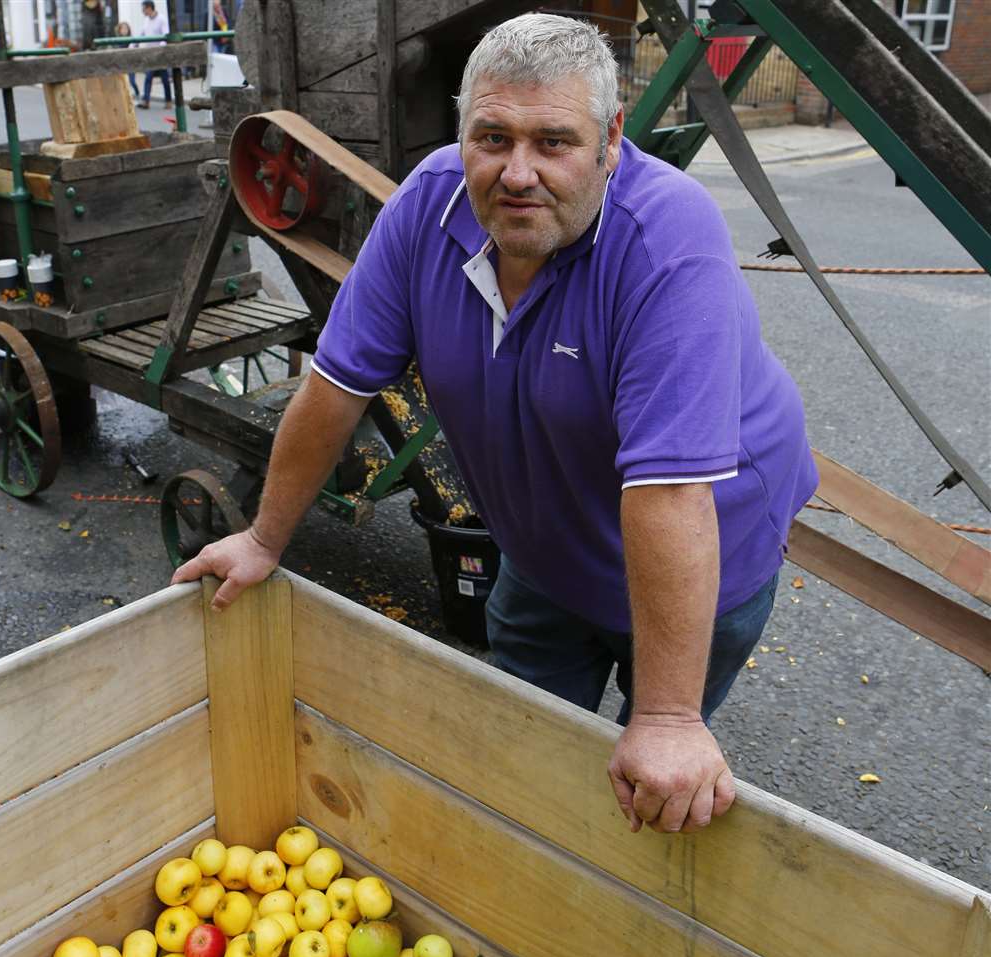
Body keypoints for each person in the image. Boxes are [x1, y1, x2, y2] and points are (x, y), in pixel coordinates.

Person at [171, 14, 818, 836]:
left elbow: (670, 491)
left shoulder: (669, 241)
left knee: (651, 780)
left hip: (708, 545)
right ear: (461, 129)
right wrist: (263, 541)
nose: (518, 173)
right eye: (493, 137)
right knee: (521, 754)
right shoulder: (426, 208)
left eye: (555, 142)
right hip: (542, 545)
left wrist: (664, 719)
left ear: (611, 140)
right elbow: (333, 387)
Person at [137, 0, 171, 109]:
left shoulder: (161, 19)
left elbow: (165, 34)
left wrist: (160, 48)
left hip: (160, 54)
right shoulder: (146, 20)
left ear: (149, 8)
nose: (142, 11)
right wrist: (133, 45)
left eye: (143, 9)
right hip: (150, 54)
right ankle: (146, 101)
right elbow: (141, 34)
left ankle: (168, 101)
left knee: (164, 78)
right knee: (148, 77)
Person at [116, 22, 139, 99]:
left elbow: (135, 46)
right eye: (123, 29)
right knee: (124, 81)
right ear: (119, 30)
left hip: (131, 63)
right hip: (122, 64)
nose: (124, 30)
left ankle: (137, 93)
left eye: (126, 28)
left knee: (132, 81)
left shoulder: (131, 39)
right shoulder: (118, 40)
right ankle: (127, 96)